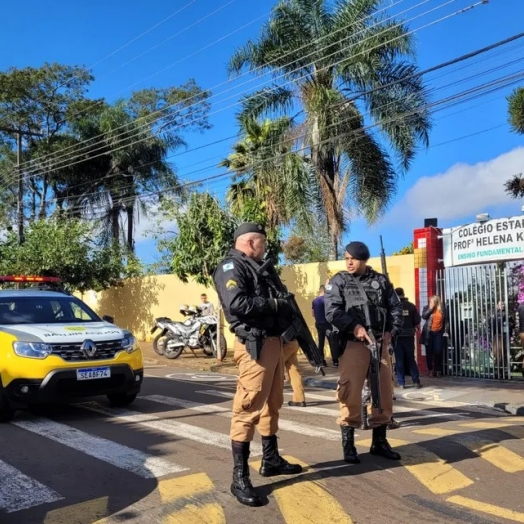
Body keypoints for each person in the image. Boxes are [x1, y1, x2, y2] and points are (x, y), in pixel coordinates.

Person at [213, 222, 302, 507]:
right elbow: (238, 303)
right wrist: (276, 305)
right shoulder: (231, 268)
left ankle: (270, 459)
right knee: (248, 407)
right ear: (250, 242)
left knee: (273, 403)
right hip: (255, 346)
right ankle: (239, 478)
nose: (265, 247)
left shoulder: (260, 267)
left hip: (275, 344)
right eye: (262, 242)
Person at [324, 241, 404, 464]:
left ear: (364, 260)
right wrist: (354, 327)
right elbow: (332, 311)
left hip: (379, 343)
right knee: (350, 391)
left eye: (354, 259)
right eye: (347, 258)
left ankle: (379, 441)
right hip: (354, 344)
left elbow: (396, 308)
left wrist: (391, 331)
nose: (349, 262)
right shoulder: (339, 281)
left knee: (384, 392)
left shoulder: (380, 281)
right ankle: (348, 445)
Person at [394, 287, 422, 389]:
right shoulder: (411, 306)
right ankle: (416, 381)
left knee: (399, 360)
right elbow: (417, 320)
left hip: (397, 336)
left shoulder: (394, 306)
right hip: (409, 336)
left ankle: (401, 383)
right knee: (411, 358)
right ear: (403, 293)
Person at [421, 295, 446, 378]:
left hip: (438, 333)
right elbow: (424, 317)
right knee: (429, 352)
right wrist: (430, 309)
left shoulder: (442, 309)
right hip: (429, 333)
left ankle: (438, 370)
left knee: (438, 351)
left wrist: (446, 331)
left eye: (432, 301)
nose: (430, 303)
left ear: (436, 302)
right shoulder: (426, 308)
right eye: (430, 301)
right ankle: (430, 370)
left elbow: (446, 321)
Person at [311, 286, 333, 366]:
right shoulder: (327, 300)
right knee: (331, 341)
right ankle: (335, 361)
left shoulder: (314, 301)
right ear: (324, 291)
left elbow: (313, 314)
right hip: (327, 323)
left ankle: (321, 360)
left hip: (318, 323)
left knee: (321, 342)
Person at [283, 339, 306, 407]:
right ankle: (299, 399)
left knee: (274, 369)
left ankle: (272, 400)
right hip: (293, 342)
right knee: (294, 370)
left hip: (283, 343)